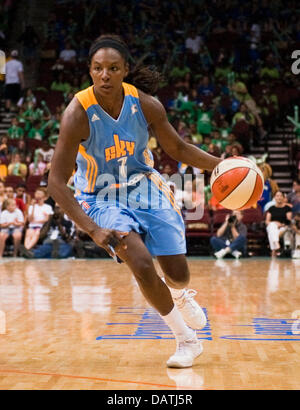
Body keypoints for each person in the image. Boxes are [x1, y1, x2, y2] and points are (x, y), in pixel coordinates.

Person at [48, 34, 221, 369]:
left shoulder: (145, 104)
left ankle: (179, 293)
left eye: (113, 68)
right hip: (102, 196)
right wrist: (93, 229)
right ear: (90, 71)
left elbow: (180, 149)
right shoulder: (77, 113)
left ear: (125, 70)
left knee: (178, 274)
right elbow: (56, 182)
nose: (105, 75)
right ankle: (186, 340)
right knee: (140, 262)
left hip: (146, 187)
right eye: (98, 68)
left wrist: (222, 165)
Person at [265, 191, 293, 257]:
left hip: (283, 227)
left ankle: (274, 250)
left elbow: (289, 221)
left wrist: (281, 225)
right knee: (272, 226)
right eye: (277, 196)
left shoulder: (287, 208)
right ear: (274, 197)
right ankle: (276, 244)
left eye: (280, 196)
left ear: (283, 197)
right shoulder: (271, 208)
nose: (279, 197)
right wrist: (275, 223)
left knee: (271, 231)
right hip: (273, 227)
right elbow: (267, 221)